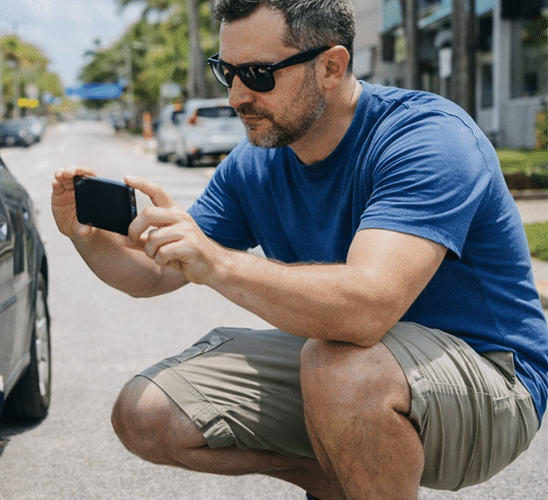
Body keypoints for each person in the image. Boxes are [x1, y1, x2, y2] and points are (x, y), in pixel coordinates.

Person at [49, 0, 547, 499]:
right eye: (227, 73)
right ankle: (344, 483)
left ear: (332, 66)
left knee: (339, 368)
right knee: (145, 411)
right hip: (350, 363)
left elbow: (366, 309)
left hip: (492, 380)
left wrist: (217, 262)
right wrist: (88, 238)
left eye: (259, 74)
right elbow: (153, 274)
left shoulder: (426, 138)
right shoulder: (254, 165)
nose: (238, 95)